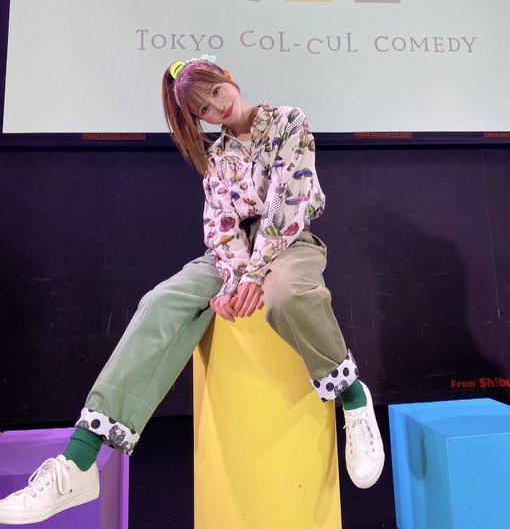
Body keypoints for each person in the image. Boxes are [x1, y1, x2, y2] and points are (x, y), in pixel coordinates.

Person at [0, 57, 384, 525]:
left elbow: (287, 203)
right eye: (203, 109)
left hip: (288, 240)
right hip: (231, 257)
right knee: (160, 302)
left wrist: (252, 276)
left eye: (216, 93)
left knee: (288, 295)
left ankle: (352, 397)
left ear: (230, 80)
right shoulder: (216, 157)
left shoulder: (288, 121)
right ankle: (80, 459)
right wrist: (234, 278)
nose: (216, 109)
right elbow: (222, 227)